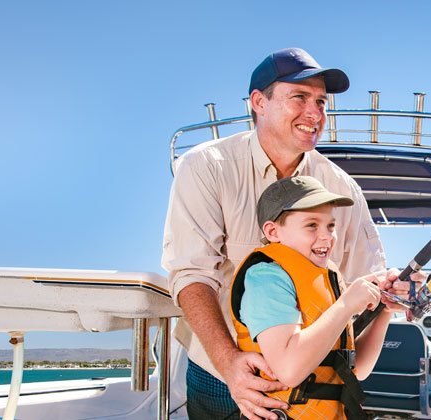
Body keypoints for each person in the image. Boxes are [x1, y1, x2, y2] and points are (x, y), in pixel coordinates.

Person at [162, 48, 411, 420]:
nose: (315, 113)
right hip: (220, 370)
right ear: (259, 102)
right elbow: (192, 274)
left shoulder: (343, 187)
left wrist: (395, 292)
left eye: (321, 102)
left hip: (316, 383)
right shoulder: (204, 167)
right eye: (299, 97)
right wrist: (230, 364)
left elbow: (368, 281)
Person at [230, 175, 407, 420]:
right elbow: (289, 371)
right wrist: (345, 306)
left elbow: (358, 370)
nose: (327, 236)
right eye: (312, 225)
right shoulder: (267, 278)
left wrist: (384, 311)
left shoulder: (327, 277)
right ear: (273, 231)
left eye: (330, 226)